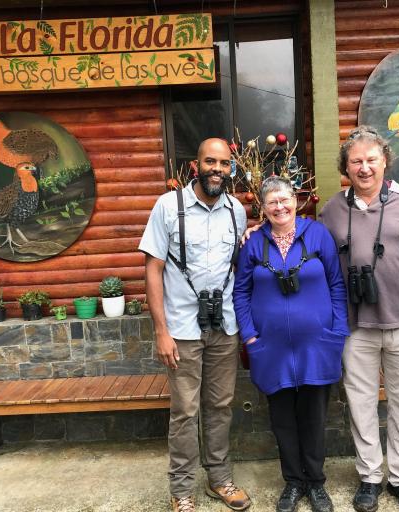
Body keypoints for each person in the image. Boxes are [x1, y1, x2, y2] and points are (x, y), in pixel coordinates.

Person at [319, 126, 399, 512]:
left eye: (371, 159)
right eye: (356, 161)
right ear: (346, 166)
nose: (364, 167)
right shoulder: (332, 209)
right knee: (360, 406)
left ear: (385, 159)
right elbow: (315, 261)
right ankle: (370, 477)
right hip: (355, 328)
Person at [139, 138, 251, 512]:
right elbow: (152, 269)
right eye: (210, 161)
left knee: (220, 406)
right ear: (195, 165)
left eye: (224, 163)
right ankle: (181, 489)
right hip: (182, 330)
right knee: (185, 411)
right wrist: (161, 330)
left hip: (224, 326)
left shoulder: (236, 210)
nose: (217, 168)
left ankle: (219, 480)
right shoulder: (168, 206)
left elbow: (238, 267)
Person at [233, 176, 349, 512]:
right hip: (271, 349)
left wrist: (336, 332)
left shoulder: (317, 235)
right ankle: (293, 483)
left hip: (318, 345)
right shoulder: (254, 244)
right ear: (263, 208)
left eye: (285, 199)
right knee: (282, 419)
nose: (280, 206)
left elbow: (336, 285)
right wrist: (250, 336)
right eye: (272, 202)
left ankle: (315, 483)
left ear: (295, 200)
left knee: (313, 418)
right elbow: (241, 292)